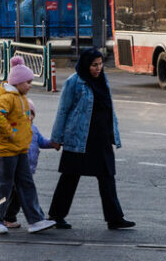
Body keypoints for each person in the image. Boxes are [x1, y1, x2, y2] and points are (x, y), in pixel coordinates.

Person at [48, 48, 135, 230]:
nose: (98, 68)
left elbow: (108, 109)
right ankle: (56, 215)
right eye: (94, 65)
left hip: (101, 138)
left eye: (100, 64)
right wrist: (56, 138)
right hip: (80, 138)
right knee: (70, 177)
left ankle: (115, 218)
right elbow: (63, 110)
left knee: (107, 177)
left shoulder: (103, 80)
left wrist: (114, 133)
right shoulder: (74, 82)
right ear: (86, 65)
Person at [0, 56, 56, 234]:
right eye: (28, 82)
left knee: (26, 184)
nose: (30, 85)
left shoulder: (21, 97)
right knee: (2, 185)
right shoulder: (8, 98)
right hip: (6, 150)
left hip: (20, 150)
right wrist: (11, 134)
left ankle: (36, 220)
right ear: (18, 82)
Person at [0, 98, 58, 229]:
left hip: (28, 169)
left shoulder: (34, 129)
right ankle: (9, 217)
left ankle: (10, 217)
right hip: (16, 167)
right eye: (25, 113)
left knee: (18, 195)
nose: (29, 116)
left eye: (31, 113)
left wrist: (53, 143)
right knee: (18, 194)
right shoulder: (16, 128)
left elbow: (42, 142)